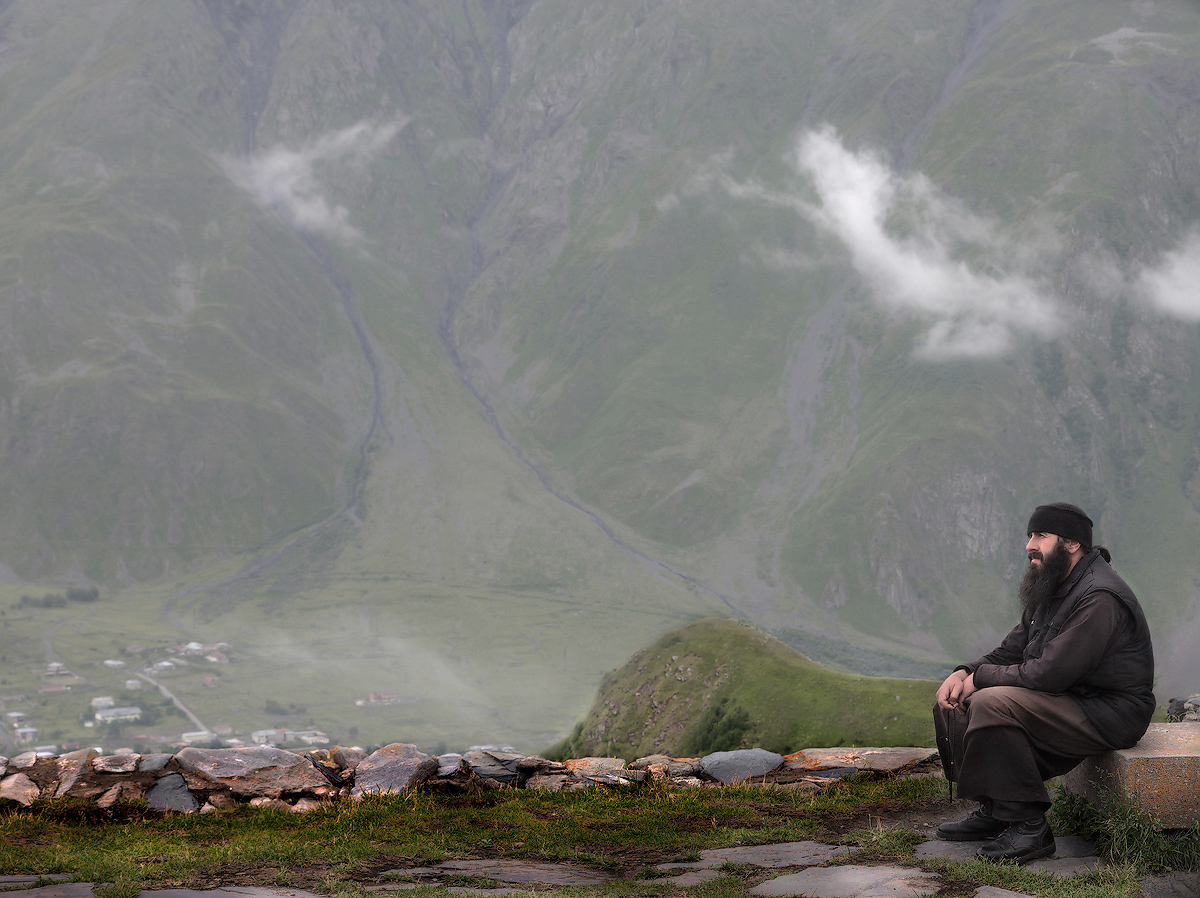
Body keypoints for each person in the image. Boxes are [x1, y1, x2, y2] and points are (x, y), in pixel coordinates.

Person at [933, 502, 1155, 863]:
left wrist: (981, 680)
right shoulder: (1054, 584)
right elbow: (1011, 651)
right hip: (1071, 698)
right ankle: (997, 808)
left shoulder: (1099, 597)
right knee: (954, 698)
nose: (1029, 545)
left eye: (1040, 536)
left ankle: (1029, 828)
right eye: (1029, 536)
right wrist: (963, 672)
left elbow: (1048, 675)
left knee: (991, 702)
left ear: (1071, 543)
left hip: (1109, 711)